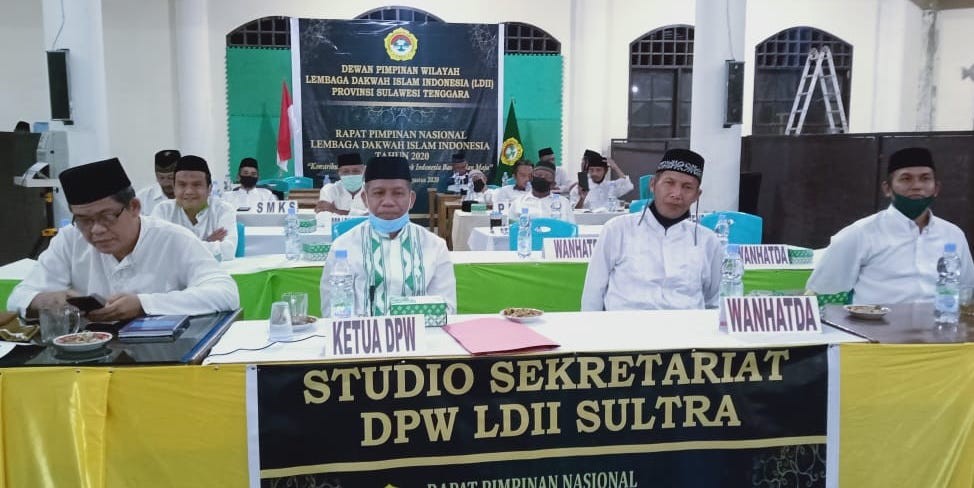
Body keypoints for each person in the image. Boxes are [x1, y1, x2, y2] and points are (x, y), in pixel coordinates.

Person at [6, 157, 239, 321]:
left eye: (107, 217)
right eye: (84, 220)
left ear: (134, 207)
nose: (96, 230)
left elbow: (225, 293)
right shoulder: (69, 239)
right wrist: (51, 300)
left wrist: (144, 304)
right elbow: (18, 298)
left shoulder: (172, 239)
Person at [806, 147, 974, 304]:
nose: (917, 186)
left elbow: (966, 291)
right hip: (873, 325)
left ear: (936, 188)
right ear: (887, 189)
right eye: (906, 179)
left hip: (940, 324)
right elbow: (822, 291)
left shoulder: (953, 235)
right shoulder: (860, 234)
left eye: (925, 178)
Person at [581, 149, 722, 311]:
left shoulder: (708, 241)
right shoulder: (617, 230)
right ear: (653, 184)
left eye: (687, 187)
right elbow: (593, 293)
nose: (677, 194)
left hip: (687, 326)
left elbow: (715, 301)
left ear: (697, 195)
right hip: (625, 325)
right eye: (669, 183)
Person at [321, 156, 456, 316]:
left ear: (411, 199)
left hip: (420, 332)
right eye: (378, 193)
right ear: (365, 198)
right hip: (361, 332)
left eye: (398, 193)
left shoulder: (435, 246)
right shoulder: (343, 246)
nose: (388, 201)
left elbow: (446, 309)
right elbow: (331, 312)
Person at [152, 155, 238, 261]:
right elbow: (156, 250)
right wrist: (207, 242)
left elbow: (228, 251)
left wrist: (176, 246)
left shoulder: (223, 210)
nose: (189, 191)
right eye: (182, 185)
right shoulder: (163, 210)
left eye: (196, 185)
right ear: (174, 188)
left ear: (209, 189)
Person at [509, 160, 575, 223]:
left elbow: (572, 228)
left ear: (553, 184)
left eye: (547, 176)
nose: (542, 177)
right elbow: (510, 228)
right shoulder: (518, 203)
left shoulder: (563, 203)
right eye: (539, 175)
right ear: (531, 178)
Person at [569, 151, 634, 210]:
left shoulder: (611, 186)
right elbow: (574, 212)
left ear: (605, 171)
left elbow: (628, 185)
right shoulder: (580, 188)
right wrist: (582, 199)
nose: (594, 173)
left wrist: (615, 167)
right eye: (591, 170)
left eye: (598, 170)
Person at [135, 149, 179, 216]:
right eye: (161, 178)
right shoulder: (143, 198)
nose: (166, 183)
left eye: (171, 178)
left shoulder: (191, 196)